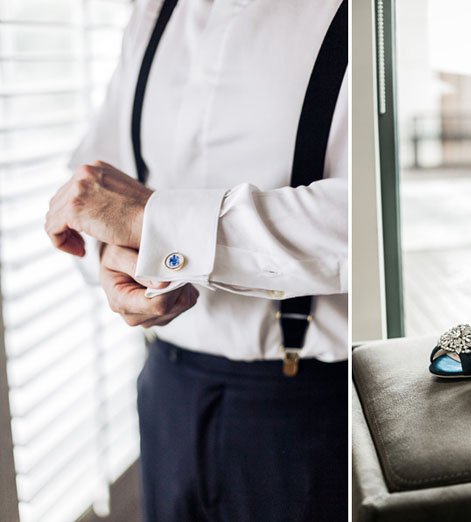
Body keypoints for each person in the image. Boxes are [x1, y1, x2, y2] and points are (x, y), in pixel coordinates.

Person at [44, 0, 348, 520]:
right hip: (166, 388)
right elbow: (96, 186)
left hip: (303, 410)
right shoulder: (153, 12)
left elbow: (373, 215)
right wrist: (115, 259)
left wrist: (154, 223)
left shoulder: (361, 17)